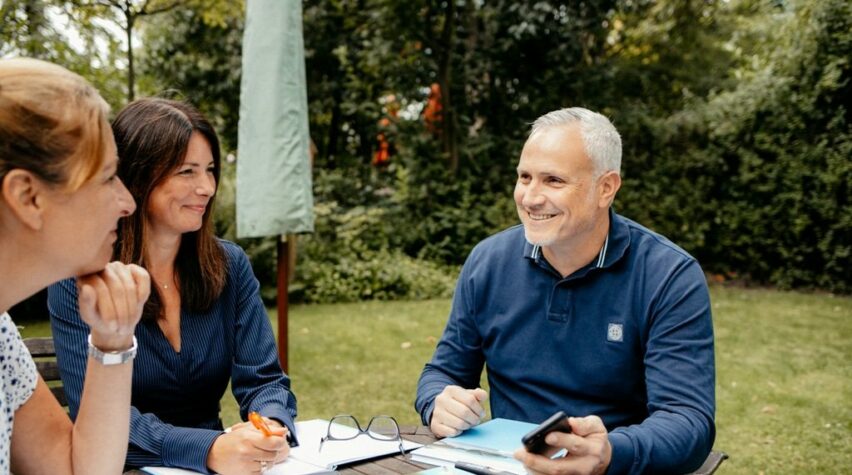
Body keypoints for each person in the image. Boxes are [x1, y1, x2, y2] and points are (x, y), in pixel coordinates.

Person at [415, 108, 715, 475]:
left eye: (553, 180)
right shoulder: (488, 261)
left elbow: (688, 420)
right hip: (503, 466)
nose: (530, 197)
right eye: (524, 177)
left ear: (606, 188)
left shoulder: (668, 275)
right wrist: (437, 403)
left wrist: (609, 454)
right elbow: (442, 373)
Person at [48, 98, 296, 475]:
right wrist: (209, 448)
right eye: (187, 171)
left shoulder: (229, 266)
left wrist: (272, 426)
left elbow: (264, 379)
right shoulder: (80, 278)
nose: (206, 187)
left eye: (210, 170)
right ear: (138, 176)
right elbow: (93, 416)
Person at [0, 58, 149, 474]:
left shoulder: (1, 338)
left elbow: (75, 469)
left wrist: (113, 341)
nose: (127, 203)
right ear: (29, 197)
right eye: (107, 178)